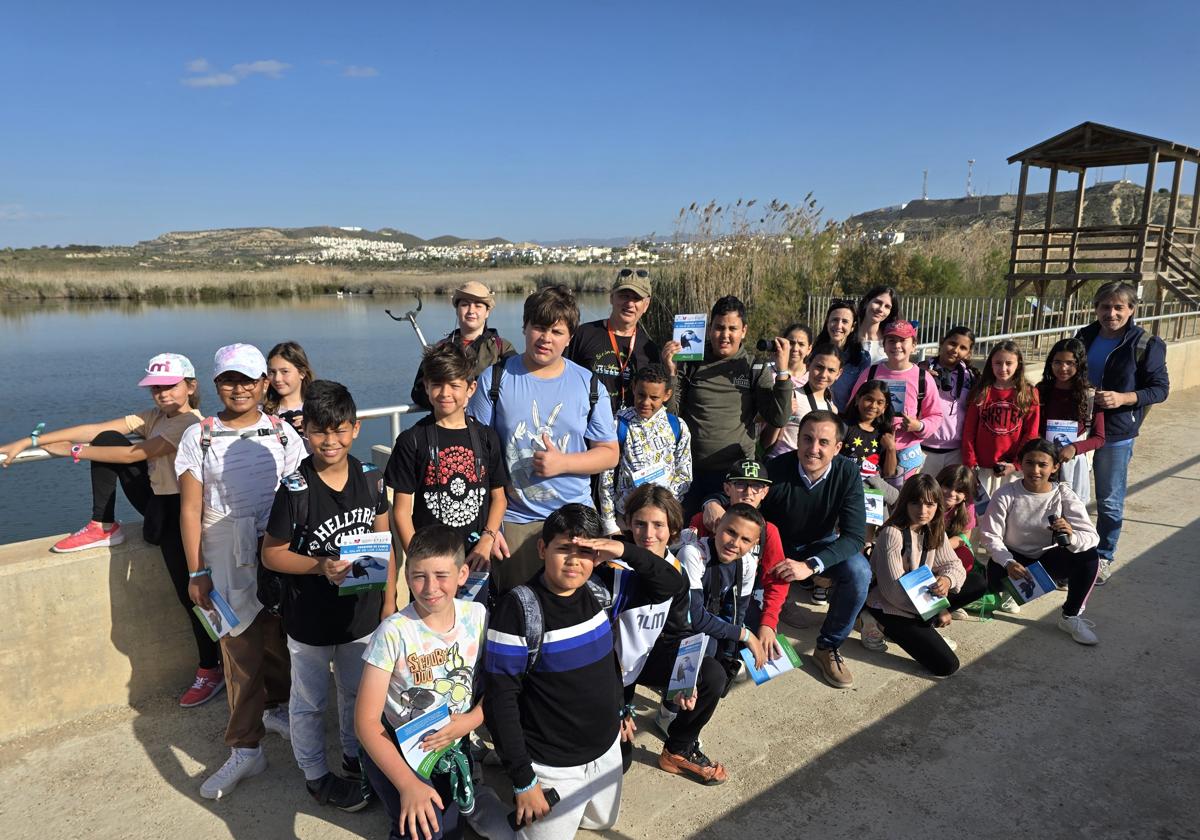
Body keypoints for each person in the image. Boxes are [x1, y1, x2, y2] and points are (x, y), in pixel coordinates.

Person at [0, 353, 223, 707]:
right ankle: (102, 523)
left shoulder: (189, 423)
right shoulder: (155, 416)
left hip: (182, 510)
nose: (162, 394)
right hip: (158, 502)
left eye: (169, 386)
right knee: (107, 438)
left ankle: (211, 669)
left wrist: (75, 451)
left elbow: (136, 455)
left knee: (191, 595)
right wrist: (31, 441)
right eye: (155, 388)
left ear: (191, 387)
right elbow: (96, 429)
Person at [483, 504, 680, 839]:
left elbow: (670, 584)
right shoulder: (518, 610)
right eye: (564, 549)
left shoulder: (602, 588)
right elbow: (500, 700)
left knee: (601, 822)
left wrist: (623, 549)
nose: (574, 561)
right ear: (542, 549)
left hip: (605, 749)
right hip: (553, 763)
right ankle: (483, 806)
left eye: (586, 551)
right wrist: (523, 780)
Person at [176, 343, 304, 800]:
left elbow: (300, 495)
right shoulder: (199, 436)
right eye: (229, 380)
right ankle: (245, 747)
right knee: (239, 652)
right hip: (225, 553)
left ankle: (277, 708)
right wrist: (197, 571)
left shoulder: (284, 434)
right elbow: (190, 509)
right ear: (216, 385)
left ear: (264, 383)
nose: (240, 388)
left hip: (277, 549)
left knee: (279, 641)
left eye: (248, 380)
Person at [261, 381, 390, 812]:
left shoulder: (371, 480)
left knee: (357, 693)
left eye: (339, 430)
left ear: (356, 429)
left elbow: (385, 543)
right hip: (309, 618)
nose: (330, 441)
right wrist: (320, 566)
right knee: (310, 702)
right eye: (319, 431)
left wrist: (389, 603)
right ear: (306, 431)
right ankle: (315, 774)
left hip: (361, 615)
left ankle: (355, 756)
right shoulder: (295, 488)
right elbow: (272, 554)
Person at [467, 285, 618, 594]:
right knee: (518, 607)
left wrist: (563, 463)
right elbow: (475, 456)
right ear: (525, 327)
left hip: (575, 520)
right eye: (539, 327)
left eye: (557, 331)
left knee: (570, 609)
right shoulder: (495, 380)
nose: (546, 338)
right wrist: (489, 528)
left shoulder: (588, 384)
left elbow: (609, 453)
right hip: (514, 522)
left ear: (570, 337)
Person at [354, 525, 490, 840]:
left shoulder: (478, 617)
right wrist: (407, 785)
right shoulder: (393, 632)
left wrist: (472, 720)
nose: (430, 588)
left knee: (451, 831)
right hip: (398, 748)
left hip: (452, 744)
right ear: (406, 575)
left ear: (463, 574)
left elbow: (500, 684)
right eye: (419, 576)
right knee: (424, 831)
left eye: (441, 575)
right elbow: (365, 722)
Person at [616, 486, 731, 785]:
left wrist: (685, 680)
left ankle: (678, 749)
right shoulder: (612, 566)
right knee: (618, 765)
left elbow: (681, 631)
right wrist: (619, 706)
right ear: (628, 523)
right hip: (613, 669)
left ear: (673, 530)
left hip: (650, 659)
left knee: (712, 674)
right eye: (640, 523)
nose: (648, 534)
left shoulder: (676, 568)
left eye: (658, 525)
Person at [386, 342, 508, 605]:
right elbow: (401, 511)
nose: (445, 393)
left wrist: (486, 541)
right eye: (437, 384)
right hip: (430, 566)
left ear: (470, 389)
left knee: (475, 624)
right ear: (426, 387)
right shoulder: (411, 440)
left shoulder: (487, 438)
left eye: (454, 385)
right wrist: (418, 562)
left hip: (475, 559)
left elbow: (499, 498)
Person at [759, 411, 870, 689]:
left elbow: (855, 536)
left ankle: (828, 647)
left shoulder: (847, 473)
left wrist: (811, 565)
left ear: (838, 447)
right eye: (807, 439)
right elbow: (741, 500)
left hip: (818, 546)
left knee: (859, 571)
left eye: (823, 442)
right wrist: (713, 502)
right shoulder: (775, 469)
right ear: (797, 440)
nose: (813, 449)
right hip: (776, 546)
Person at [661, 295, 792, 517]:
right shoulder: (690, 363)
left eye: (733, 328)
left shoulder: (754, 367)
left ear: (744, 331)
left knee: (729, 537)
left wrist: (782, 371)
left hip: (736, 478)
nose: (725, 335)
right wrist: (671, 373)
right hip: (689, 473)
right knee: (685, 534)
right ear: (710, 329)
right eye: (719, 327)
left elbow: (779, 418)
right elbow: (672, 416)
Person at [1075, 281, 1169, 583]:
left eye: (1118, 307)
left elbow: (1160, 389)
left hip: (1116, 431)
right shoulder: (1083, 337)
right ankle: (1071, 554)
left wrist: (1124, 398)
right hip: (1077, 428)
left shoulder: (1145, 344)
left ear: (1131, 309)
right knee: (1071, 495)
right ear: (1096, 308)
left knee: (1108, 500)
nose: (1111, 313)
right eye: (1105, 306)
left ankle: (1103, 556)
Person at [979, 439, 1101, 645]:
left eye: (1042, 464)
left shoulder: (1063, 494)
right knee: (988, 580)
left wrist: (1071, 536)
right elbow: (990, 535)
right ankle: (1009, 592)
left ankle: (1070, 617)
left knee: (1088, 557)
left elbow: (1092, 537)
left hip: (1045, 563)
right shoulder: (1006, 493)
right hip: (1011, 562)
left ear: (1055, 467)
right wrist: (1008, 562)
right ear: (1020, 464)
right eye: (1029, 463)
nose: (1035, 470)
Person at [863, 474, 984, 676]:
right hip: (889, 605)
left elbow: (954, 565)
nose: (923, 511)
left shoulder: (934, 528)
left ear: (938, 505)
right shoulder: (892, 533)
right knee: (946, 666)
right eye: (915, 503)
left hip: (920, 596)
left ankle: (923, 625)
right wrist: (936, 610)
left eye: (930, 504)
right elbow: (892, 591)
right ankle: (876, 622)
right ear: (904, 503)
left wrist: (947, 580)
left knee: (978, 582)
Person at [687, 460, 789, 658]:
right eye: (740, 484)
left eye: (757, 486)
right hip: (703, 600)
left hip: (740, 599)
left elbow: (776, 580)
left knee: (766, 649)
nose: (748, 492)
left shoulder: (768, 531)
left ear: (765, 492)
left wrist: (768, 622)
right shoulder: (704, 519)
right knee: (705, 650)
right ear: (727, 488)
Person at [597, 364, 692, 536]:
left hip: (661, 519)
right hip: (625, 521)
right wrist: (609, 522)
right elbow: (606, 476)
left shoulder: (677, 426)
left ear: (667, 395)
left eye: (654, 397)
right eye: (641, 395)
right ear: (634, 387)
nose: (646, 402)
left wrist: (667, 507)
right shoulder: (619, 424)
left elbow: (684, 474)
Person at [678, 503, 769, 676]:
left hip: (710, 615)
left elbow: (736, 611)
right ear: (718, 525)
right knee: (709, 653)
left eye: (745, 540)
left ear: (754, 544)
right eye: (731, 532)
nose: (735, 543)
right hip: (682, 622)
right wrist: (745, 636)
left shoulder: (748, 563)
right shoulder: (693, 554)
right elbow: (695, 618)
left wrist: (729, 655)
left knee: (763, 638)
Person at [850, 320, 943, 483]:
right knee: (871, 496)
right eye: (891, 340)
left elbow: (935, 415)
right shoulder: (871, 373)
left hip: (907, 453)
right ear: (884, 345)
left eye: (902, 340)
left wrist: (918, 426)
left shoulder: (923, 378)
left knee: (903, 498)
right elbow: (852, 406)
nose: (897, 345)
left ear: (914, 345)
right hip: (870, 448)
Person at [410, 280, 515, 412]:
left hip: (489, 422)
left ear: (487, 312)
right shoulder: (441, 348)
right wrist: (451, 401)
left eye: (478, 306)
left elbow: (516, 388)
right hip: (446, 422)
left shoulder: (502, 348)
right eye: (465, 305)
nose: (471, 311)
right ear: (457, 310)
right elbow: (418, 392)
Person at [567, 267, 660, 413]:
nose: (630, 304)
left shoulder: (649, 348)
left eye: (636, 298)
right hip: (586, 422)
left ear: (646, 305)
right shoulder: (583, 334)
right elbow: (563, 378)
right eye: (624, 296)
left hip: (630, 425)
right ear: (611, 297)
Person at [962, 340, 1041, 496]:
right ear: (991, 364)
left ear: (1018, 364)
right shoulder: (981, 391)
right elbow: (969, 431)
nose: (1003, 368)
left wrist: (1017, 464)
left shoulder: (1028, 393)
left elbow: (1031, 433)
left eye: (1009, 363)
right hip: (982, 468)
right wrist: (970, 462)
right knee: (982, 510)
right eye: (998, 363)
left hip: (1012, 469)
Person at [1036, 338, 1106, 505]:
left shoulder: (1090, 396)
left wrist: (1074, 448)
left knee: (1072, 510)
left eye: (1070, 363)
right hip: (1043, 462)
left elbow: (1099, 438)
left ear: (1080, 365)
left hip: (1073, 464)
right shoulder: (1040, 391)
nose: (1063, 368)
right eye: (1058, 362)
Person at [763, 340, 841, 460]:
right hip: (780, 464)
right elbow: (765, 443)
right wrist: (781, 417)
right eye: (819, 367)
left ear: (839, 374)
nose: (823, 375)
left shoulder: (832, 409)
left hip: (808, 468)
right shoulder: (790, 396)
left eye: (831, 370)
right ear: (808, 365)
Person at [919, 327, 979, 477]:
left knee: (950, 492)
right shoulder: (921, 369)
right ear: (942, 342)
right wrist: (922, 379)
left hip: (955, 452)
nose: (955, 350)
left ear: (969, 353)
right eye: (952, 343)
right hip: (922, 448)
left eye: (963, 348)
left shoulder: (971, 377)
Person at [936, 464, 980, 621]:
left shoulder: (967, 506)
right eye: (947, 486)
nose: (952, 493)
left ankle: (948, 602)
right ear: (938, 483)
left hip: (945, 545)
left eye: (959, 491)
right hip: (921, 548)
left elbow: (965, 536)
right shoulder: (927, 499)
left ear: (967, 495)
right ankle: (934, 604)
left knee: (966, 559)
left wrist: (943, 547)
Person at [813, 299, 869, 410]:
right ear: (827, 322)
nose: (838, 326)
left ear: (853, 326)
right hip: (813, 413)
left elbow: (861, 393)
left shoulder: (861, 358)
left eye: (845, 321)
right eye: (835, 320)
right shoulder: (813, 351)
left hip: (844, 417)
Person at [265, 341, 316, 435]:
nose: (277, 378)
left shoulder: (317, 410)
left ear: (302, 373)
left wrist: (314, 427)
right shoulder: (261, 411)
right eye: (272, 372)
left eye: (285, 371)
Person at [854, 285, 901, 365]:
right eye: (878, 302)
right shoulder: (847, 333)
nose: (881, 309)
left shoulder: (891, 341)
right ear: (867, 302)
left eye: (887, 307)